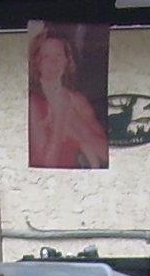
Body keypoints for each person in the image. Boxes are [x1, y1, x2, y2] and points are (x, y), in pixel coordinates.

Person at [28, 27, 110, 170]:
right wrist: (60, 117)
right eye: (46, 57)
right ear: (37, 62)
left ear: (67, 61)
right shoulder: (33, 104)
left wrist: (75, 122)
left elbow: (106, 154)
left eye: (59, 55)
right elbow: (46, 165)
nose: (53, 62)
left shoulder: (77, 100)